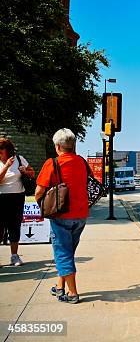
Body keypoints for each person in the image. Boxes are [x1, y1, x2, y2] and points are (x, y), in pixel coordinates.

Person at [35, 129, 88, 304]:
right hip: (81, 214)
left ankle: (72, 293)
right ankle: (59, 286)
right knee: (67, 251)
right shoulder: (82, 161)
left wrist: (43, 205)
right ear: (73, 145)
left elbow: (39, 191)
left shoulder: (52, 163)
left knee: (63, 253)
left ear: (58, 146)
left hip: (61, 215)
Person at [0, 137, 35, 266]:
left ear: (7, 150)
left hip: (17, 197)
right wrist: (6, 167)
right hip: (1, 197)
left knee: (14, 226)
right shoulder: (5, 163)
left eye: (1, 150)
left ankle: (14, 256)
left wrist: (25, 171)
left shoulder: (19, 159)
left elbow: (32, 173)